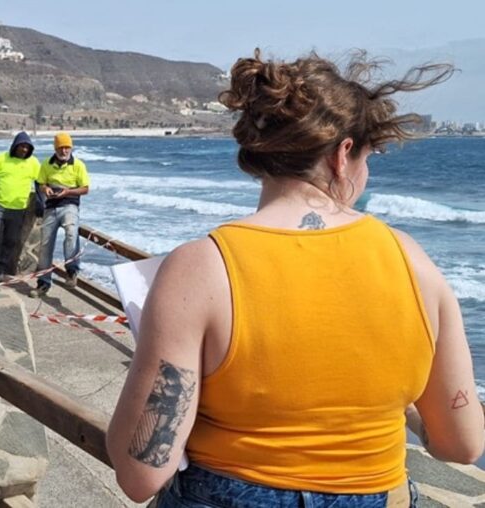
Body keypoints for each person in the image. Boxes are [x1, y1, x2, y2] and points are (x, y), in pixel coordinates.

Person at [107, 49, 484, 506]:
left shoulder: (201, 267)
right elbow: (461, 445)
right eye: (368, 158)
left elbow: (139, 473)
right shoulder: (413, 262)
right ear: (343, 155)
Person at [29, 131, 90, 297]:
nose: (64, 151)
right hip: (51, 207)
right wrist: (46, 189)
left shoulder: (78, 165)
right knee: (45, 246)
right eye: (61, 148)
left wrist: (67, 192)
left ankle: (71, 271)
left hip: (69, 205)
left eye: (67, 148)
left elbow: (85, 189)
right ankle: (43, 283)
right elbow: (41, 183)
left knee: (71, 232)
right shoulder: (46, 165)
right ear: (55, 148)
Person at [0, 131, 40, 283]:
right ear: (15, 146)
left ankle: (0, 268)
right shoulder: (1, 158)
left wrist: (40, 201)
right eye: (21, 146)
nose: (24, 149)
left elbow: (39, 184)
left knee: (11, 240)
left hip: (18, 208)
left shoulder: (33, 163)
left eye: (27, 147)